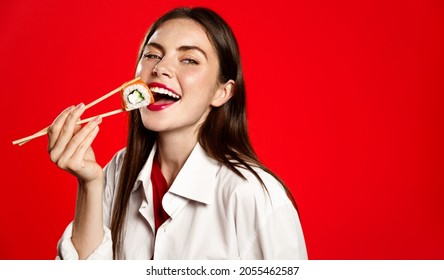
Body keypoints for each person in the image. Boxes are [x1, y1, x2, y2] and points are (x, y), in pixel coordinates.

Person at [49, 7, 307, 260]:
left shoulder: (254, 195)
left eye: (189, 60)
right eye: (151, 55)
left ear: (222, 93)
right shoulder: (117, 171)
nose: (161, 68)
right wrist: (89, 184)